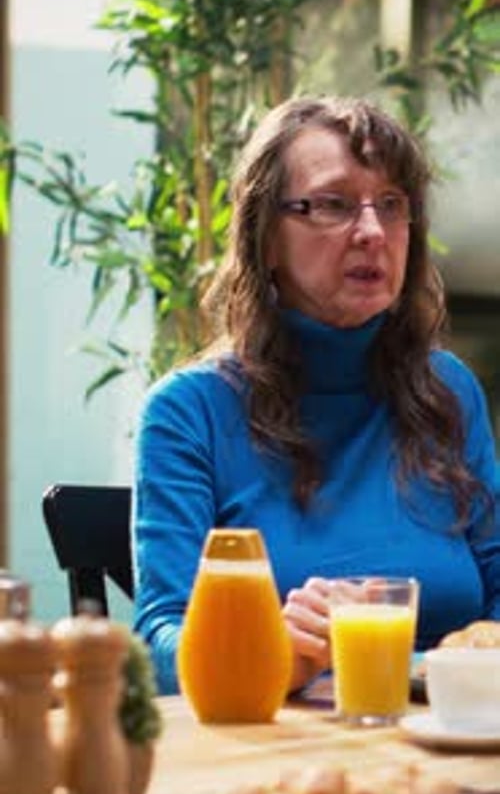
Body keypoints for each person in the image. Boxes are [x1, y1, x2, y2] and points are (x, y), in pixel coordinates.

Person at [132, 94, 500, 696]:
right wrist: (264, 651)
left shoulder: (448, 391)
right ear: (265, 237)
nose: (372, 232)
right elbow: (156, 644)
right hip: (279, 755)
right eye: (332, 205)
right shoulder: (188, 413)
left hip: (451, 739)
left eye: (392, 205)